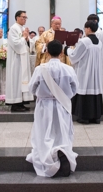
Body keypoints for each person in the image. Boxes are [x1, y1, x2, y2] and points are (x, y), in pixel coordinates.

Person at [26, 40, 78, 177]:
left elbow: (31, 88)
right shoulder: (69, 69)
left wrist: (43, 95)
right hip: (62, 105)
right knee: (62, 132)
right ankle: (62, 153)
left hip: (44, 106)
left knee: (44, 133)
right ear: (61, 53)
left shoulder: (40, 69)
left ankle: (47, 159)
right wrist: (64, 96)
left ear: (47, 52)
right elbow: (75, 88)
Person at [65, 20, 103, 124]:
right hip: (95, 72)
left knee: (84, 89)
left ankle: (85, 117)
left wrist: (66, 49)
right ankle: (95, 117)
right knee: (94, 90)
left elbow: (74, 56)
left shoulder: (84, 41)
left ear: (88, 29)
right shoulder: (99, 42)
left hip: (85, 71)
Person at [6, 10, 34, 112]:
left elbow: (29, 44)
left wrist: (27, 39)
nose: (25, 19)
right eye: (23, 17)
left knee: (22, 80)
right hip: (16, 60)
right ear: (17, 17)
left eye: (26, 17)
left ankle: (21, 102)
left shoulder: (22, 28)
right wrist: (24, 37)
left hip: (23, 59)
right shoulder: (13, 29)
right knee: (16, 80)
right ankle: (15, 104)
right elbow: (16, 44)